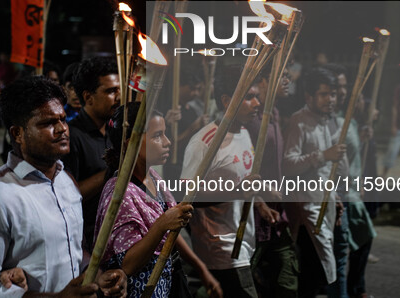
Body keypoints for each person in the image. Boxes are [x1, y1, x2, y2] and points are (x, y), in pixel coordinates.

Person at [0, 75, 126, 297]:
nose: (62, 129)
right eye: (48, 123)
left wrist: (98, 274)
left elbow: (76, 253)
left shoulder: (65, 182)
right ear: (18, 133)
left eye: (63, 119)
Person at [95, 103, 223, 298]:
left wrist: (200, 268)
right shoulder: (120, 193)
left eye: (165, 133)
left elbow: (171, 231)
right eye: (157, 136)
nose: (167, 142)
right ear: (132, 143)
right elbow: (128, 264)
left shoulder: (154, 177)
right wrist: (161, 224)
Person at [181, 65, 265, 298]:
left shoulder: (244, 132)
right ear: (228, 100)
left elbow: (245, 184)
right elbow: (188, 196)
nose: (257, 103)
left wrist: (260, 203)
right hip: (220, 247)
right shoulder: (205, 142)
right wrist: (238, 191)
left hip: (244, 239)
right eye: (249, 97)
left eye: (257, 96)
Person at [283, 67, 347, 297]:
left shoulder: (329, 121)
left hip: (326, 203)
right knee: (312, 270)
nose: (330, 99)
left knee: (326, 267)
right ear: (309, 96)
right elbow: (289, 165)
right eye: (323, 94)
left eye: (332, 94)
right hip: (306, 209)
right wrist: (322, 156)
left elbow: (332, 169)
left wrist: (336, 195)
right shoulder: (299, 121)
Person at [325, 64, 376, 298]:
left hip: (351, 191)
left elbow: (352, 160)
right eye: (338, 87)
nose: (343, 92)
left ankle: (356, 289)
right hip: (338, 194)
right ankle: (354, 290)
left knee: (359, 242)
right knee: (345, 251)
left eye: (344, 87)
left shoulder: (349, 120)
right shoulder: (328, 121)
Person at [247, 69, 299, 298]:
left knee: (287, 280)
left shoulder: (276, 114)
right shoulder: (250, 120)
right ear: (261, 81)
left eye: (288, 75)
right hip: (254, 216)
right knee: (236, 281)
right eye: (281, 74)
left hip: (277, 216)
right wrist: (258, 198)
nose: (287, 81)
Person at [63, 56, 121, 251]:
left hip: (117, 235)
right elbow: (69, 196)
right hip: (88, 241)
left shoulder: (115, 131)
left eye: (119, 89)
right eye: (111, 91)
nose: (119, 97)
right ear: (88, 97)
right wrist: (112, 171)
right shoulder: (71, 137)